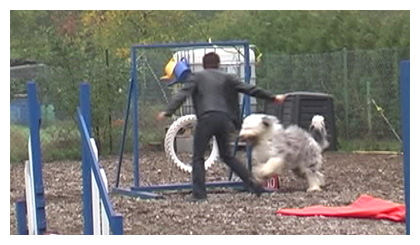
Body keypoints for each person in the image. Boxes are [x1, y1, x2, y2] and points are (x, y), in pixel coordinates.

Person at [157, 52, 287, 202]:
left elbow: (182, 94)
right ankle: (254, 185)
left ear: (204, 65)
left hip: (206, 118)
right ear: (218, 64)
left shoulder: (197, 77)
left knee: (198, 157)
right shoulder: (227, 77)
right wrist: (273, 97)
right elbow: (250, 89)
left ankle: (199, 195)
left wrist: (168, 111)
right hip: (224, 119)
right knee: (227, 156)